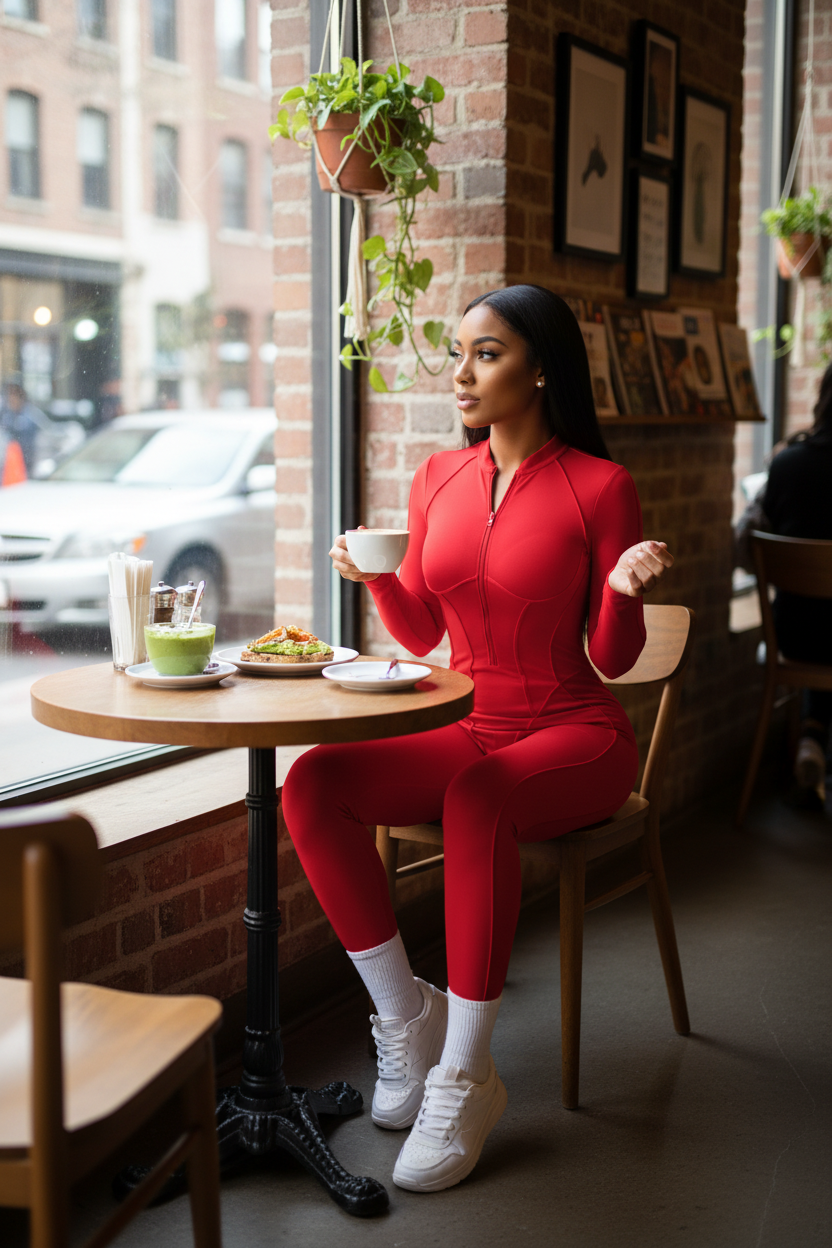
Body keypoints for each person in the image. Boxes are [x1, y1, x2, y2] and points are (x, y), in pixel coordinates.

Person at [280, 285, 673, 1192]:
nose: (460, 373)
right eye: (458, 352)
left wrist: (620, 588)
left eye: (486, 354)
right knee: (313, 783)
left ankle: (467, 1073)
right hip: (473, 724)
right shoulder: (437, 477)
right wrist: (374, 575)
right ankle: (404, 1021)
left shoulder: (601, 485)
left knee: (479, 797)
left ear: (540, 367)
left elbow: (612, 662)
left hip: (577, 734)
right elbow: (423, 634)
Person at [755, 364, 832, 806]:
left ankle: (813, 733)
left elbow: (752, 539)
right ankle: (815, 736)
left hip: (792, 633)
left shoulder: (786, 463)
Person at [0, 382, 50, 474]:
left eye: (14, 395)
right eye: (9, 396)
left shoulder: (32, 416)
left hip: (30, 465)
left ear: (21, 397)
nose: (11, 399)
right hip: (11, 467)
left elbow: (46, 436)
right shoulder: (6, 417)